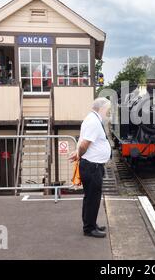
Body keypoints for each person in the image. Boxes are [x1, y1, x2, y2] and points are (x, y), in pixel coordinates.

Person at [69, 97, 112, 238]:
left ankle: (91, 224)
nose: (109, 112)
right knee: (92, 198)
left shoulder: (91, 119)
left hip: (93, 165)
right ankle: (89, 229)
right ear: (102, 108)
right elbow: (84, 144)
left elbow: (82, 141)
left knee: (91, 197)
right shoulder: (93, 122)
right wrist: (79, 154)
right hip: (92, 166)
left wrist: (78, 153)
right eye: (108, 109)